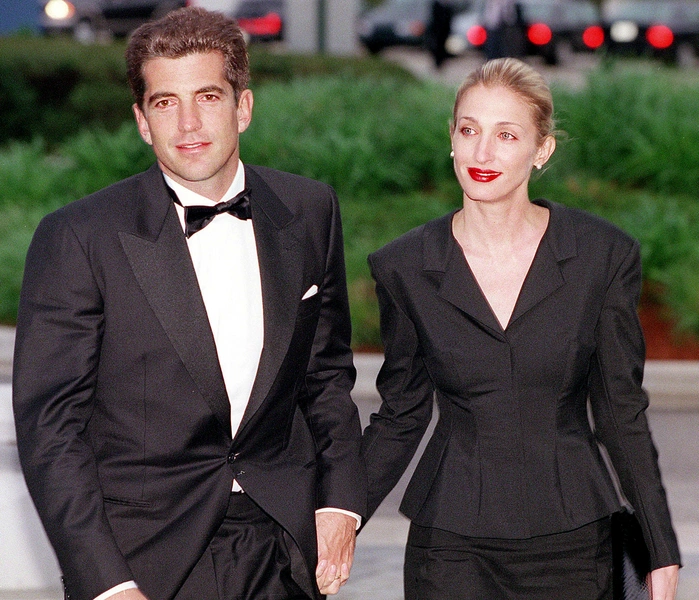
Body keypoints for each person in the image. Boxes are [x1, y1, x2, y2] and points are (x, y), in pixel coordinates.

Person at [13, 7, 366, 600]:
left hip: (281, 547)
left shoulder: (309, 210)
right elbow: (51, 430)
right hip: (145, 558)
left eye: (207, 96)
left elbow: (325, 375)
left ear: (243, 107)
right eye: (165, 102)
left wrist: (339, 502)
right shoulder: (78, 237)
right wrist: (107, 583)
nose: (188, 123)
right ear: (142, 121)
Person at [361, 57, 680, 599]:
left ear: (542, 150)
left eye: (506, 135)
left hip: (573, 541)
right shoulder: (405, 266)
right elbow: (400, 414)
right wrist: (335, 522)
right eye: (469, 131)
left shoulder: (601, 256)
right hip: (450, 546)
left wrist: (659, 548)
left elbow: (620, 411)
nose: (482, 153)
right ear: (452, 139)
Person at [425, 0, 455, 69]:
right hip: (436, 31)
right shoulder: (436, 5)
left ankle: (440, 63)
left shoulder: (448, 7)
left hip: (444, 31)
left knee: (442, 47)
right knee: (435, 46)